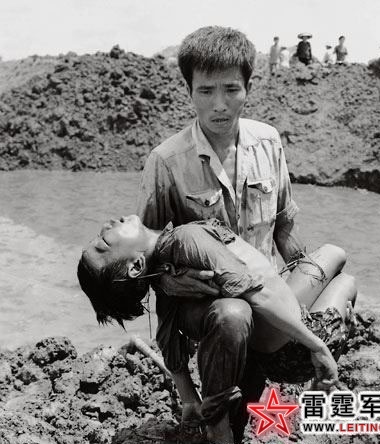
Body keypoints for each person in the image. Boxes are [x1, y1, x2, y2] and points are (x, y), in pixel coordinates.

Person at [136, 26, 355, 443]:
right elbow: (148, 261)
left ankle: (267, 378)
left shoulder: (268, 142)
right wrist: (183, 385)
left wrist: (304, 305)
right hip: (210, 309)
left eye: (231, 89)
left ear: (248, 89)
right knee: (233, 315)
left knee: (341, 280)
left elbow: (284, 229)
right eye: (206, 91)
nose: (219, 104)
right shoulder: (166, 162)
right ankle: (217, 420)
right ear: (189, 91)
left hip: (265, 297)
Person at [78, 215, 357, 439]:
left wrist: (190, 401)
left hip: (271, 350)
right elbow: (257, 294)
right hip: (296, 350)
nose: (107, 225)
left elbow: (169, 345)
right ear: (136, 265)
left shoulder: (165, 278)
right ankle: (325, 362)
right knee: (340, 264)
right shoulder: (185, 239)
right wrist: (318, 347)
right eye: (104, 242)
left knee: (328, 263)